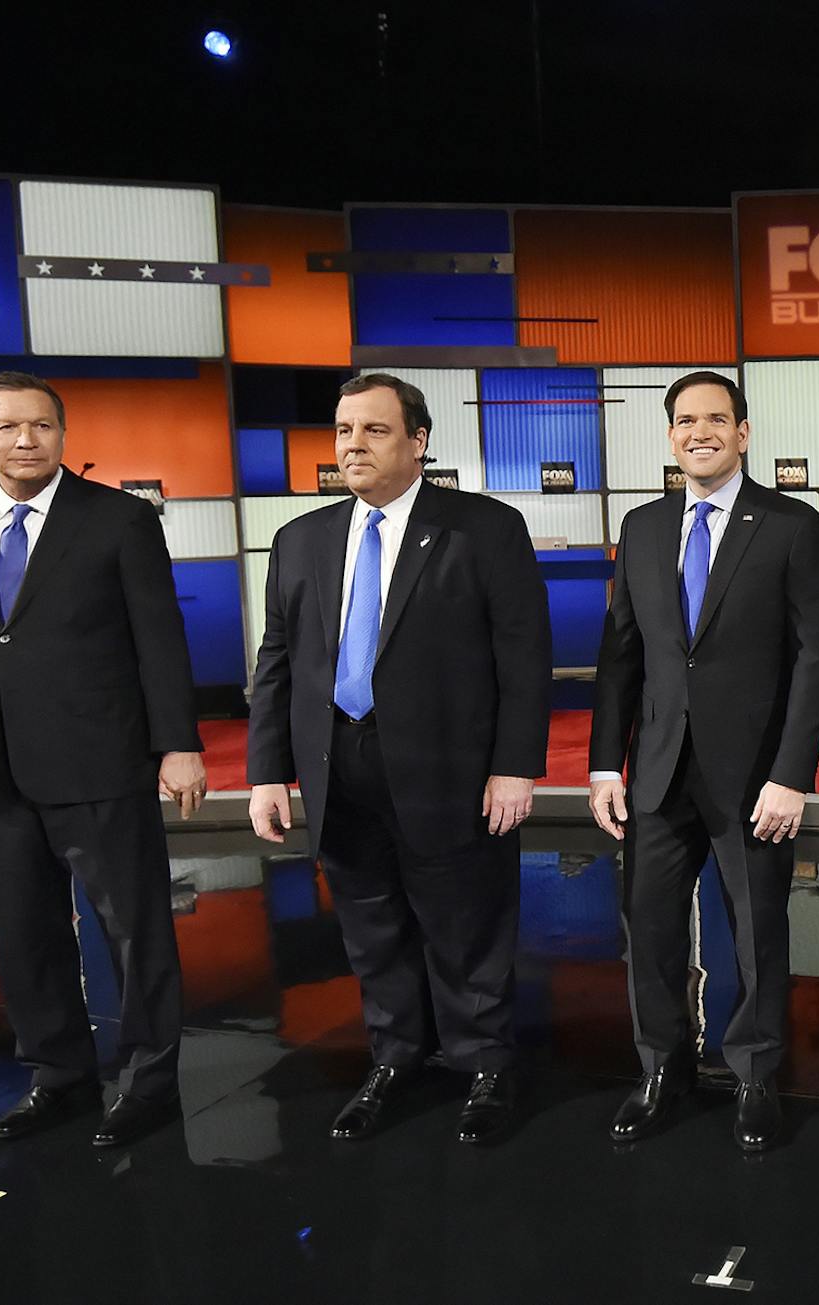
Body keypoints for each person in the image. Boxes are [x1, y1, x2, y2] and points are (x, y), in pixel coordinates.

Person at [246, 373, 550, 1146]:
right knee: (371, 925)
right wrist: (265, 769)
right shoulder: (300, 539)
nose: (353, 444)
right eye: (344, 430)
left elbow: (522, 655)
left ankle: (484, 1064)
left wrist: (516, 764)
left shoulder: (483, 528)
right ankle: (396, 1055)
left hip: (451, 769)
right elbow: (278, 658)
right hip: (338, 768)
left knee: (465, 925)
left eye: (374, 430)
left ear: (418, 441)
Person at [0, 371, 207, 1148]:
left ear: (62, 434)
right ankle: (60, 1076)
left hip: (98, 759)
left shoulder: (117, 519)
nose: (25, 440)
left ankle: (149, 1085)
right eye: (8, 426)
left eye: (42, 426)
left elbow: (159, 641)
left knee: (134, 929)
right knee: (24, 932)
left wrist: (178, 743)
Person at [588, 371, 819, 1153]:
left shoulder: (792, 525)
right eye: (685, 420)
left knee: (757, 932)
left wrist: (793, 772)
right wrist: (604, 764)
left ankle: (757, 1075)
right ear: (670, 435)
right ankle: (663, 1069)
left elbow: (817, 656)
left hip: (756, 775)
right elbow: (621, 654)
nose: (700, 432)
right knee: (651, 929)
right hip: (657, 771)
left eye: (716, 419)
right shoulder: (642, 525)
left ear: (743, 432)